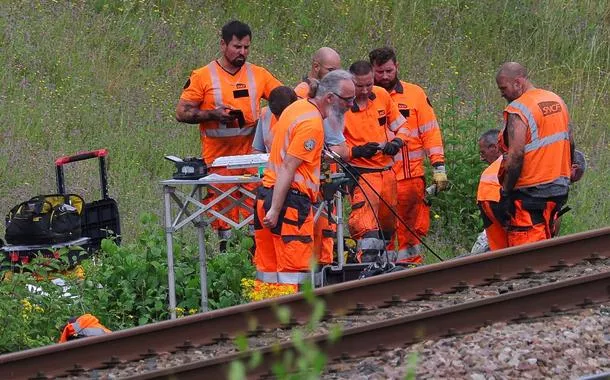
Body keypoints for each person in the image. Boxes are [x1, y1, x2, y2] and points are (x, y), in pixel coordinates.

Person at [175, 20, 282, 245]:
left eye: (246, 47)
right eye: (237, 47)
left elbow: (284, 101)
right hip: (219, 161)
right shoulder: (203, 76)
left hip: (254, 158)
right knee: (223, 217)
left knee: (258, 211)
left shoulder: (259, 74)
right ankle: (227, 259)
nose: (242, 52)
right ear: (223, 45)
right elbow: (182, 112)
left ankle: (255, 259)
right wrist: (213, 115)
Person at [253, 70, 355, 295]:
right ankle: (292, 323)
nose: (351, 105)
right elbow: (289, 166)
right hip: (289, 204)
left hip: (266, 195)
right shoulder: (312, 124)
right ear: (329, 98)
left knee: (268, 272)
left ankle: (265, 319)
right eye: (347, 100)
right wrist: (276, 210)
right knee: (294, 273)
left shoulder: (297, 109)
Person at [369, 47, 448, 264]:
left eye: (389, 71)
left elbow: (430, 131)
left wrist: (438, 166)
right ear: (372, 71)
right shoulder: (366, 98)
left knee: (411, 233)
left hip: (410, 178)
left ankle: (410, 273)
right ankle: (380, 274)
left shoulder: (415, 95)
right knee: (379, 232)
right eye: (380, 72)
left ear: (397, 67)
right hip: (379, 178)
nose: (385, 76)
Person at [495, 62, 574, 247]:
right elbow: (570, 141)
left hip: (531, 192)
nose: (502, 93)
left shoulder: (518, 109)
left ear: (518, 82)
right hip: (558, 187)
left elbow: (516, 156)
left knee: (527, 253)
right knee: (547, 242)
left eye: (503, 88)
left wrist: (505, 193)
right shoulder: (555, 100)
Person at [343, 60, 409, 263]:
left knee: (387, 228)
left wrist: (397, 142)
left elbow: (403, 127)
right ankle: (364, 268)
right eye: (359, 85)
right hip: (362, 174)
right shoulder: (342, 105)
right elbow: (332, 146)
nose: (364, 90)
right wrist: (356, 151)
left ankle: (384, 268)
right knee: (364, 227)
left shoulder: (382, 95)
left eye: (368, 84)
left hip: (387, 172)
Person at [473, 129, 508, 253]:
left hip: (503, 244)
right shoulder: (519, 159)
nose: (482, 158)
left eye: (483, 153)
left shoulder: (490, 173)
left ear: (494, 148)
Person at [251, 86, 298, 153]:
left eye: (285, 116)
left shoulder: (304, 118)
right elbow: (257, 150)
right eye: (277, 116)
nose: (280, 119)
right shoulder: (265, 114)